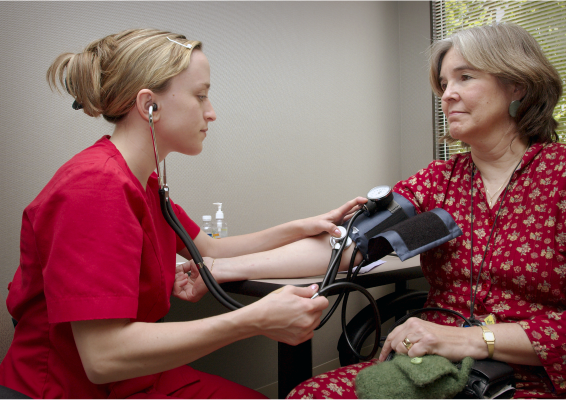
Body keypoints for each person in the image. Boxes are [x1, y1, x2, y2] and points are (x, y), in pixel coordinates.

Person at [0, 29, 368, 399]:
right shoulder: (95, 187)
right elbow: (102, 357)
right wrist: (253, 320)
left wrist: (301, 226)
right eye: (200, 95)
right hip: (68, 388)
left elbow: (212, 249)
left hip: (138, 378)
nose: (212, 112)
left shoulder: (139, 182)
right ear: (149, 106)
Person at [287, 22, 566, 399]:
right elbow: (352, 247)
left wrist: (471, 339)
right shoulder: (441, 184)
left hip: (536, 378)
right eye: (444, 84)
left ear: (518, 85)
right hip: (429, 369)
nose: (447, 95)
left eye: (464, 77)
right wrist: (220, 267)